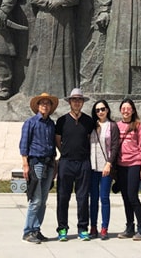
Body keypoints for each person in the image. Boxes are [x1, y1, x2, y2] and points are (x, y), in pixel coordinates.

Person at [22, 0, 84, 97]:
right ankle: (39, 90)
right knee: (42, 53)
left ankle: (65, 90)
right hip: (45, 19)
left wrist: (61, 2)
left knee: (65, 53)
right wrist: (50, 3)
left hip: (64, 20)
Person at [55, 87, 94, 242]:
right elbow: (57, 140)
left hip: (83, 162)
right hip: (66, 162)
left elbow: (90, 140)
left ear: (82, 103)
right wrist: (64, 152)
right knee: (63, 197)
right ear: (69, 102)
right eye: (74, 100)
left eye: (79, 100)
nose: (77, 102)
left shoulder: (88, 121)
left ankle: (83, 228)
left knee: (83, 197)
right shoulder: (62, 120)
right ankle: (62, 228)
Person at [20, 92, 59, 244]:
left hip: (49, 162)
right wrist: (25, 164)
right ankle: (28, 231)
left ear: (50, 107)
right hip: (36, 162)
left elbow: (52, 144)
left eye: (47, 103)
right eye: (42, 103)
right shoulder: (30, 122)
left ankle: (36, 229)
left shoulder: (51, 124)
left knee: (43, 199)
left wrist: (55, 163)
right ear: (37, 106)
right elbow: (24, 144)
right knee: (35, 199)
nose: (45, 105)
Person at [115, 98, 141, 240]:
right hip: (121, 165)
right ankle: (129, 226)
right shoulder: (116, 126)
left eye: (128, 108)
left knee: (132, 196)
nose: (126, 110)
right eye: (123, 108)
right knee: (125, 197)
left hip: (134, 164)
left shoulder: (138, 126)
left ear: (133, 110)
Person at [88, 99, 119, 240]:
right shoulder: (91, 125)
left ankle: (104, 228)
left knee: (104, 198)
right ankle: (93, 227)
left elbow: (114, 147)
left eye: (102, 109)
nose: (100, 112)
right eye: (97, 110)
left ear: (107, 110)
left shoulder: (112, 126)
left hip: (106, 167)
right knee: (93, 198)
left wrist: (109, 163)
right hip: (92, 167)